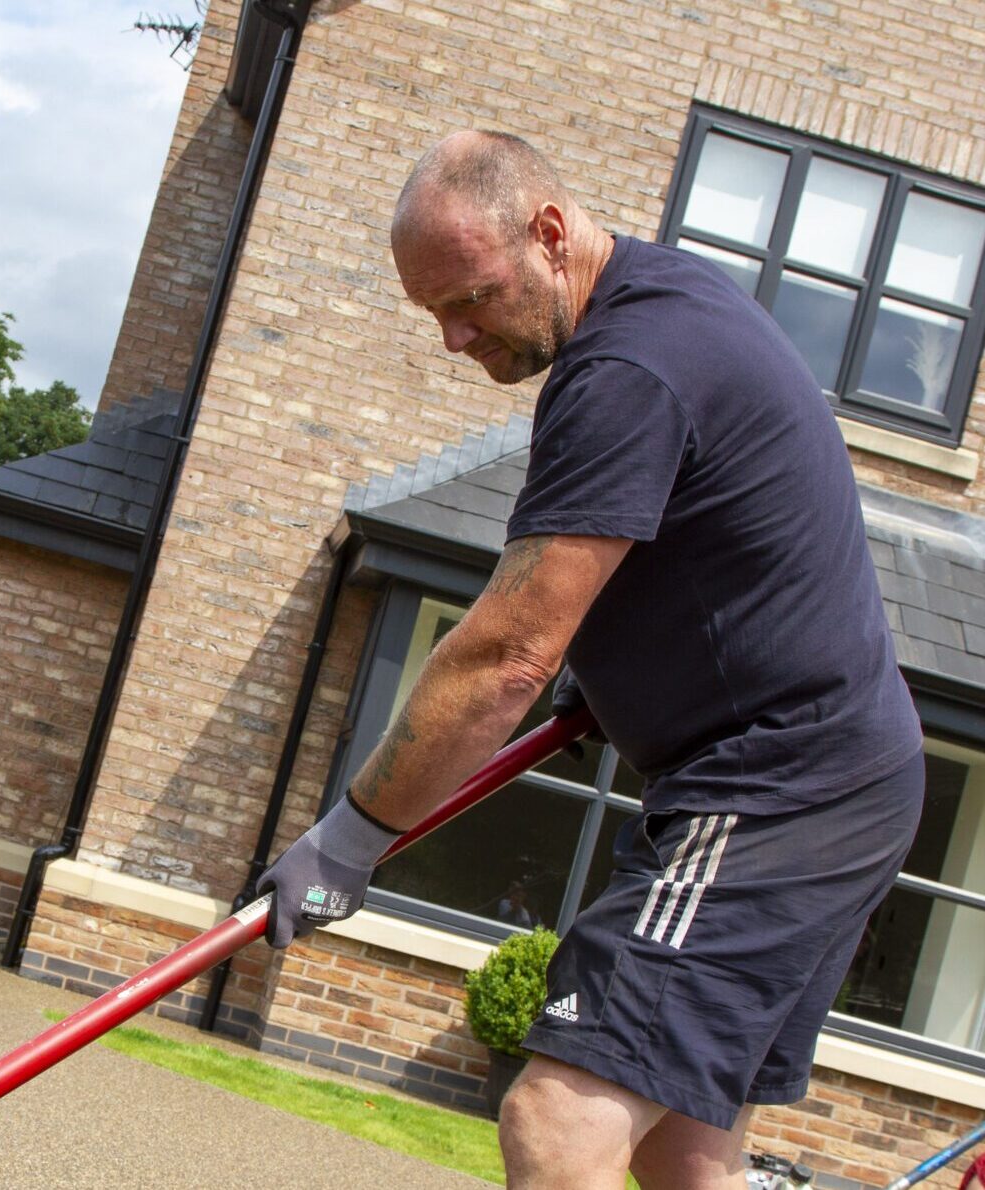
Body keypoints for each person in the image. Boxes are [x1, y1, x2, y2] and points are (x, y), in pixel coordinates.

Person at [255, 129, 926, 1190]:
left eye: (468, 297)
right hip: (839, 773)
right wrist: (618, 675)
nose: (451, 335)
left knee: (558, 1117)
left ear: (551, 233)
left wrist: (353, 834)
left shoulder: (626, 369)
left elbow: (507, 652)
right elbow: (707, 556)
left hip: (777, 783)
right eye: (432, 311)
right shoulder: (666, 305)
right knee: (685, 1151)